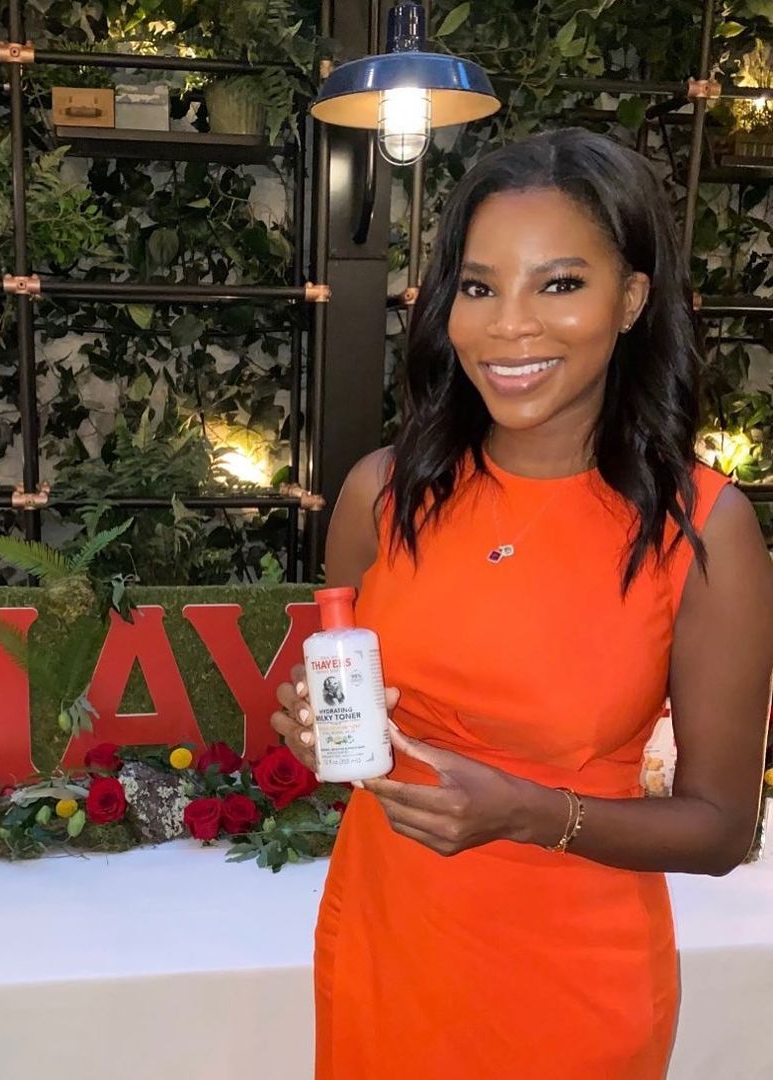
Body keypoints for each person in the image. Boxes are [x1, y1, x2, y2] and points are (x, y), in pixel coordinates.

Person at [271, 127, 773, 1079]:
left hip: (573, 992)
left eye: (559, 284)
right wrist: (313, 725)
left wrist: (531, 815)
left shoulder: (704, 530)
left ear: (631, 300)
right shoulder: (383, 494)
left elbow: (720, 829)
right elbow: (347, 717)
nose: (508, 326)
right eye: (478, 287)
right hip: (386, 958)